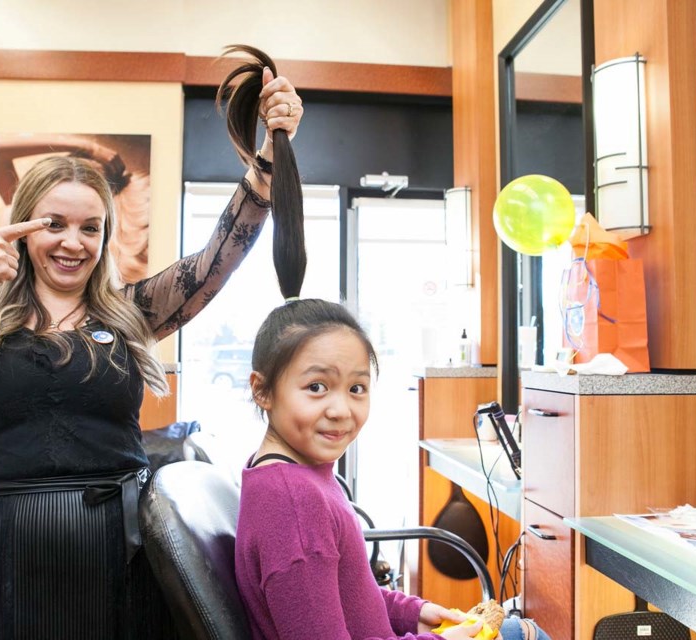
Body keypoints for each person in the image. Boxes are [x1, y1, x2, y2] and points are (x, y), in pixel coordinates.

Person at [0, 46, 303, 640]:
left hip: (117, 556)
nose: (73, 242)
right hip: (0, 558)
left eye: (90, 227)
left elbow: (212, 266)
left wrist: (267, 161)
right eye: (54, 224)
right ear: (23, 225)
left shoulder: (129, 312)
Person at [232, 72, 548, 640]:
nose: (341, 409)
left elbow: (341, 591)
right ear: (262, 390)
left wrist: (411, 612)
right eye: (316, 387)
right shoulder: (292, 502)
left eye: (357, 388)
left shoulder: (299, 477)